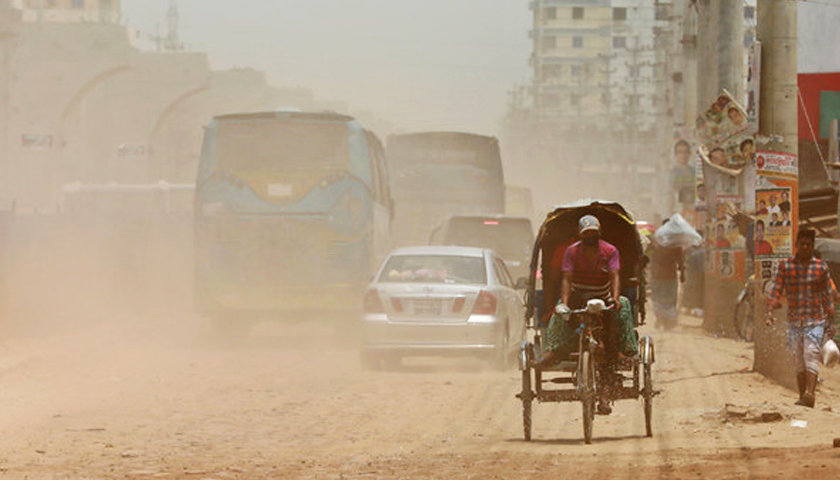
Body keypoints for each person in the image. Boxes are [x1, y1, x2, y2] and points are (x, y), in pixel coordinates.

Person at [533, 215, 635, 415]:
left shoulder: (610, 251)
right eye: (587, 234)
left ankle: (615, 364)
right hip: (579, 295)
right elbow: (567, 278)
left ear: (599, 234)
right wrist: (564, 301)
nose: (590, 237)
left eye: (593, 233)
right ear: (580, 234)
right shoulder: (572, 252)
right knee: (560, 313)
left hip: (603, 296)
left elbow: (614, 275)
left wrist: (614, 298)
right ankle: (556, 349)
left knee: (616, 322)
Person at [766, 229, 836, 408]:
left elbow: (828, 295)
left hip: (815, 320)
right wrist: (771, 310)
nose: (805, 247)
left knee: (810, 354)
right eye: (802, 244)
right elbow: (776, 290)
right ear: (796, 245)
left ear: (812, 247)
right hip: (794, 321)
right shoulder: (786, 266)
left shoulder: (821, 267)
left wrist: (831, 321)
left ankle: (810, 394)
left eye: (808, 244)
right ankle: (802, 396)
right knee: (798, 359)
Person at [649, 219, 686, 330]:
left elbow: (648, 256)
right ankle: (667, 322)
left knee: (657, 297)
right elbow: (680, 260)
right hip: (670, 275)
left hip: (656, 274)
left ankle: (660, 317)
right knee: (669, 299)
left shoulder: (655, 240)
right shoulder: (675, 242)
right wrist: (683, 273)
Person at [671, 140, 695, 208]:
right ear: (675, 154)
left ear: (689, 153)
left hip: (692, 207)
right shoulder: (671, 173)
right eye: (680, 152)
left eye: (686, 152)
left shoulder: (694, 172)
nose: (683, 155)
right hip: (677, 207)